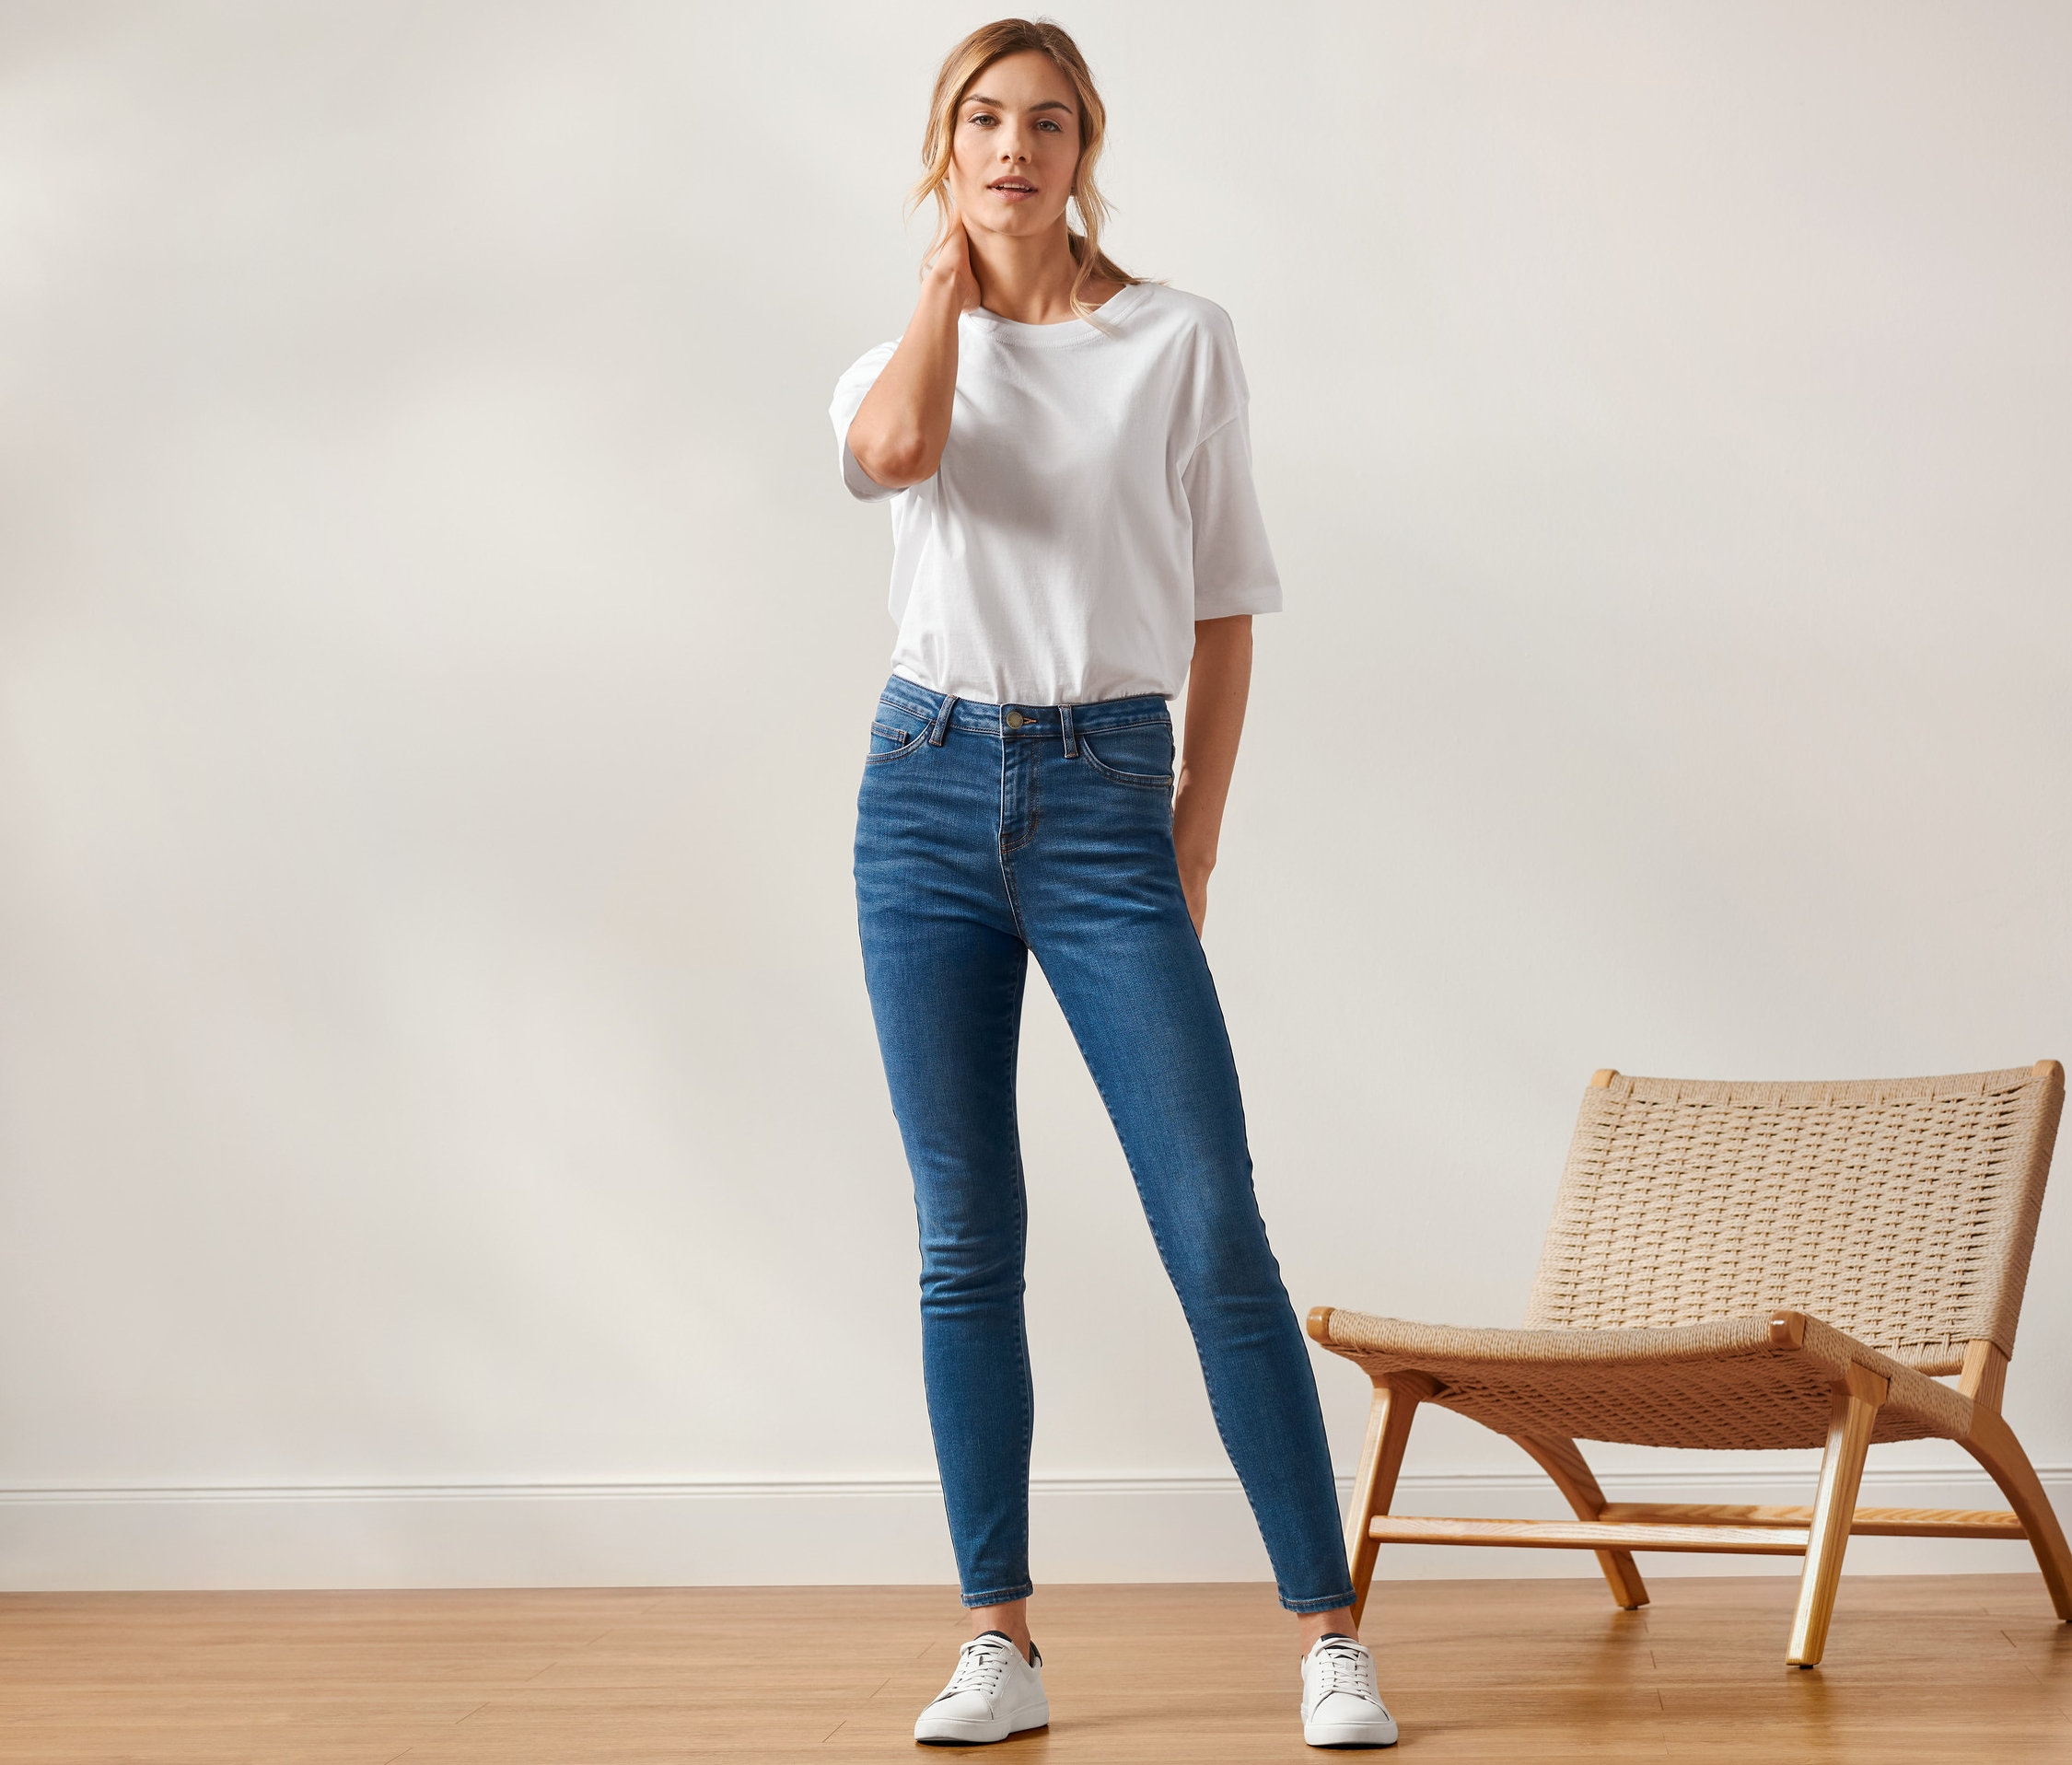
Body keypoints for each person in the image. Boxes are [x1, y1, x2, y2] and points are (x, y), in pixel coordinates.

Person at [832, 17, 1398, 1750]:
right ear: (943, 148)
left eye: (1048, 123)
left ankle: (1328, 1634)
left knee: (1212, 1221)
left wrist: (1190, 836)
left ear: (1088, 150)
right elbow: (897, 454)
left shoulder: (1177, 340)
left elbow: (1224, 604)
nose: (1014, 149)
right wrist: (945, 295)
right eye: (981, 121)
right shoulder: (892, 359)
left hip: (1105, 795)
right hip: (921, 792)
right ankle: (995, 1636)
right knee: (963, 1233)